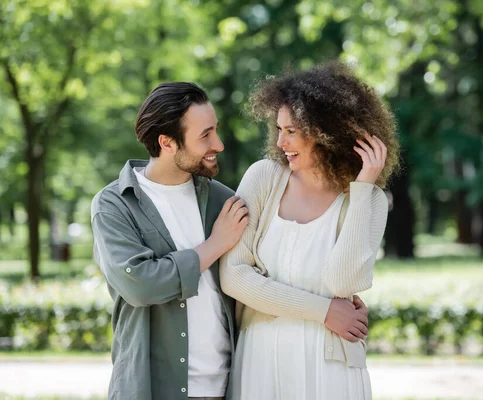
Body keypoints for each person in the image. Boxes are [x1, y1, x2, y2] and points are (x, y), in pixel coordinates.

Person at [91, 81, 372, 400]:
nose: (219, 144)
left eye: (216, 130)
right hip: (153, 387)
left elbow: (262, 273)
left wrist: (331, 307)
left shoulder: (223, 200)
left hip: (227, 385)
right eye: (205, 135)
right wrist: (215, 245)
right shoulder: (115, 204)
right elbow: (140, 285)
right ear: (167, 142)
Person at [220, 61, 400, 400]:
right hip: (262, 360)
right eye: (278, 129)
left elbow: (343, 282)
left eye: (292, 131)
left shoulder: (368, 200)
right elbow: (233, 276)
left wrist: (362, 188)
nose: (281, 141)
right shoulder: (263, 178)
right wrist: (326, 311)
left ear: (326, 131)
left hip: (330, 366)